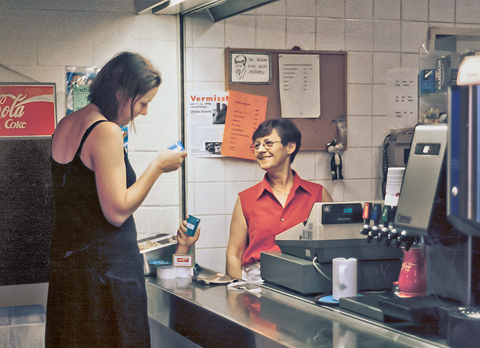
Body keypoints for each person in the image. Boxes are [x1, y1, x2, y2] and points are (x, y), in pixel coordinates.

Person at [46, 52, 197, 347]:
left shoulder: (67, 124)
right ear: (121, 93)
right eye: (143, 103)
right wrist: (157, 166)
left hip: (71, 274)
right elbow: (116, 212)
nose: (143, 112)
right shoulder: (106, 131)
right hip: (105, 279)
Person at [226, 119, 333, 281]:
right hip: (257, 284)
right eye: (256, 145)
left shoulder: (318, 194)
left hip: (307, 279)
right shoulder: (246, 199)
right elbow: (234, 254)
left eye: (268, 143)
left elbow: (334, 246)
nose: (260, 150)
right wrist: (240, 292)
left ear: (290, 147)